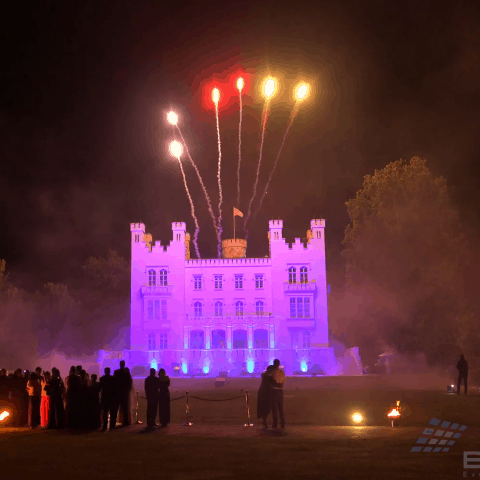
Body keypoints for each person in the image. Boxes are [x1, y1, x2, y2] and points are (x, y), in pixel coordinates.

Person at [112, 360, 132, 427]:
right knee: (125, 408)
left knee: (115, 408)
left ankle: (113, 422)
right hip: (124, 392)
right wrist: (128, 390)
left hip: (117, 392)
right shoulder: (126, 373)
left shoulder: (116, 372)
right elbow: (129, 382)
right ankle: (126, 421)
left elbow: (114, 382)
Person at [271, 359, 286, 429]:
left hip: (274, 391)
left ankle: (275, 423)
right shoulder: (282, 372)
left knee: (274, 408)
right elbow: (283, 382)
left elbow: (273, 382)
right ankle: (282, 423)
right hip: (280, 391)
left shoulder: (273, 372)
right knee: (281, 408)